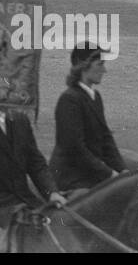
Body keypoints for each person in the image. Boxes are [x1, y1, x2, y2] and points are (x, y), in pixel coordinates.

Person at [49, 44, 129, 191]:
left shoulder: (95, 97)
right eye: (100, 64)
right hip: (72, 177)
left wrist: (122, 170)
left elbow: (106, 138)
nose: (104, 70)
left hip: (90, 172)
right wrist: (109, 173)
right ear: (83, 66)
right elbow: (74, 147)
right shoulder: (69, 100)